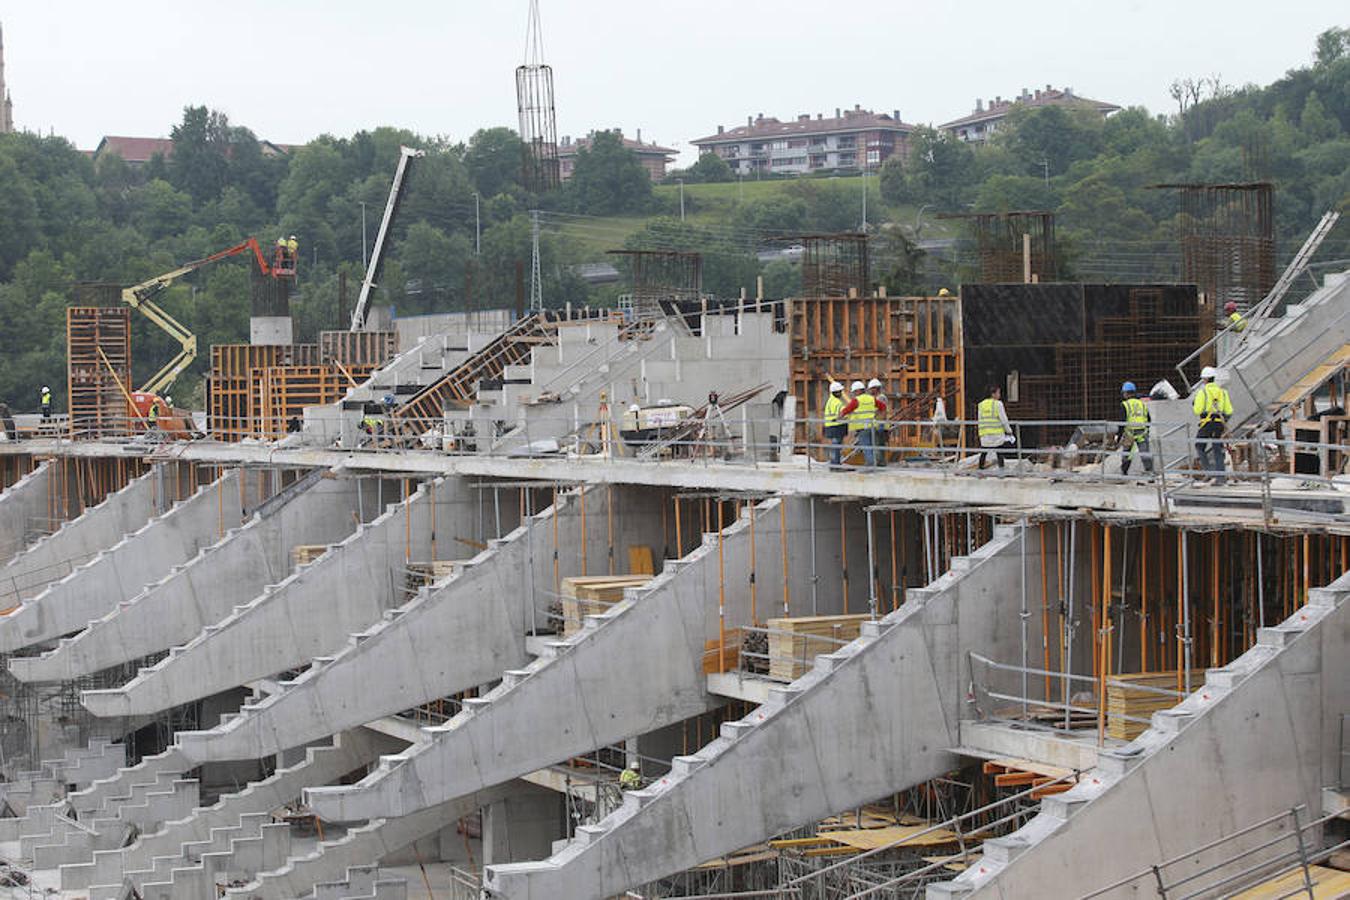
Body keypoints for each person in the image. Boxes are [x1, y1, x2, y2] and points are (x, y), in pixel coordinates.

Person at [1192, 366, 1233, 484]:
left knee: (1199, 446)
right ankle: (1221, 477)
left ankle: (1209, 472)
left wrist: (1195, 404)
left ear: (1205, 379)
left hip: (1206, 423)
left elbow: (1197, 410)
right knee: (1217, 449)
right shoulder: (1223, 392)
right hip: (1219, 423)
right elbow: (1229, 411)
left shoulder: (1203, 392)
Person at [840, 380, 886, 467]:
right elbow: (883, 407)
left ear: (858, 391)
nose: (854, 394)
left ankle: (870, 464)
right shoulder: (871, 398)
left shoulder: (856, 400)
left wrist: (839, 417)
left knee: (866, 446)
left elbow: (846, 410)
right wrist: (879, 418)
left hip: (862, 427)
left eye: (854, 392)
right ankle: (874, 463)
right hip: (872, 426)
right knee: (871, 445)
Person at [1118, 382, 1153, 475]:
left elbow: (1122, 422)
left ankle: (1124, 473)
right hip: (1142, 433)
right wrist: (1147, 429)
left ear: (1125, 393)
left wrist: (1119, 436)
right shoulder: (1142, 404)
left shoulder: (1125, 404)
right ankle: (1150, 472)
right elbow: (1149, 419)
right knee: (1145, 453)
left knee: (1127, 454)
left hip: (1130, 434)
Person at [977, 385, 1014, 469]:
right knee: (999, 452)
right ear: (993, 394)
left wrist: (980, 433)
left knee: (984, 452)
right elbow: (1004, 419)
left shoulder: (981, 405)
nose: (999, 395)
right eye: (998, 393)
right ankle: (1001, 471)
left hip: (985, 433)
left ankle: (980, 470)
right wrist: (1009, 430)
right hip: (996, 433)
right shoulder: (998, 404)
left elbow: (979, 420)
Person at [822, 381, 847, 467]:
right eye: (839, 391)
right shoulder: (837, 402)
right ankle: (836, 464)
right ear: (836, 392)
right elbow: (843, 414)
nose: (841, 393)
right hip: (836, 426)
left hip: (831, 426)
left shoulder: (830, 400)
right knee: (836, 446)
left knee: (835, 446)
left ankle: (834, 463)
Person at [867, 378, 889, 466]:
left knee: (878, 443)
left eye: (872, 388)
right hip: (878, 424)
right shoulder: (876, 398)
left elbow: (877, 411)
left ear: (876, 388)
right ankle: (881, 462)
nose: (870, 390)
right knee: (878, 443)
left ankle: (879, 462)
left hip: (880, 425)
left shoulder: (881, 398)